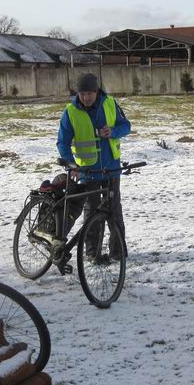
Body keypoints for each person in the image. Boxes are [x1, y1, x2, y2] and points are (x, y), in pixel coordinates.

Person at [56, 73, 131, 258]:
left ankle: (117, 252)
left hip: (111, 169)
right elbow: (62, 142)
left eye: (89, 93)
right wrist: (71, 164)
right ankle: (92, 253)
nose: (86, 98)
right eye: (82, 94)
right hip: (87, 172)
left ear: (97, 91)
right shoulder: (71, 112)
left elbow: (126, 126)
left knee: (114, 211)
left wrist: (112, 131)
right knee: (91, 214)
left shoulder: (110, 104)